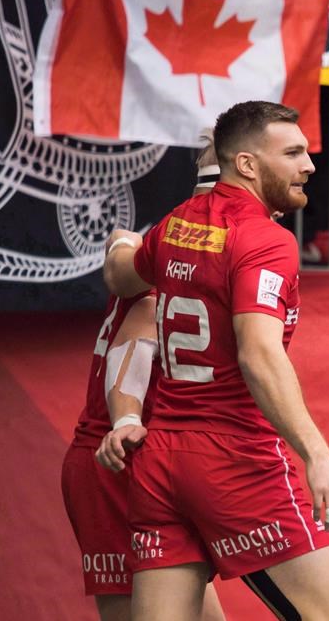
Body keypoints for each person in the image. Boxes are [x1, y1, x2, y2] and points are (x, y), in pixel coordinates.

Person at [102, 101, 329, 621]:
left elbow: (124, 280)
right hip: (235, 458)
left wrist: (120, 246)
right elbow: (258, 354)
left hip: (161, 461)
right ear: (246, 164)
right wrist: (318, 456)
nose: (310, 165)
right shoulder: (267, 240)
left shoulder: (175, 223)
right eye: (293, 153)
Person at [61, 148, 226, 621]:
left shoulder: (160, 244)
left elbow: (121, 250)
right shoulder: (187, 253)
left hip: (141, 461)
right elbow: (136, 339)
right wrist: (126, 420)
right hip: (116, 459)